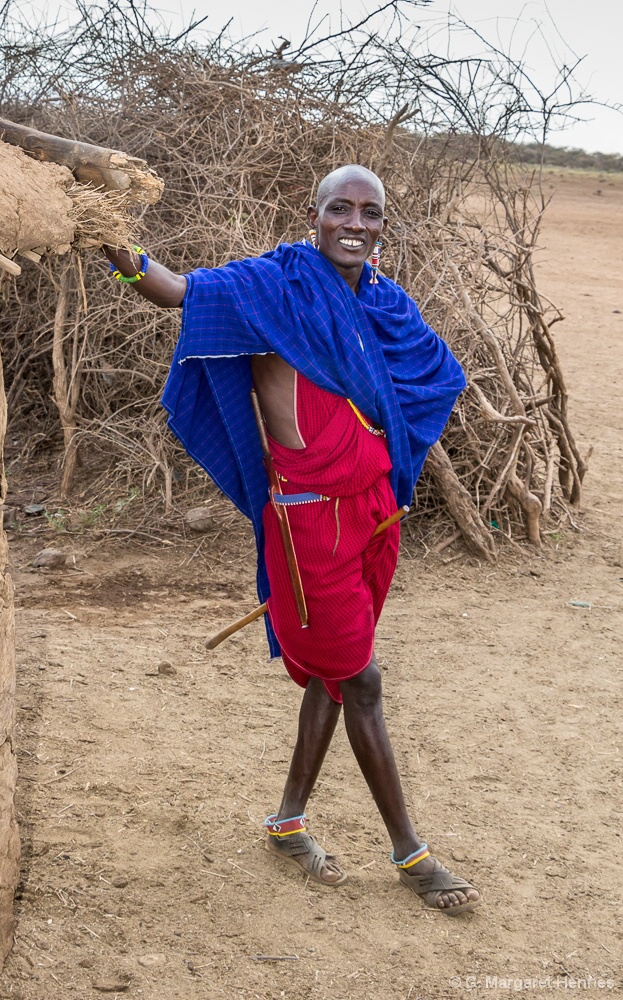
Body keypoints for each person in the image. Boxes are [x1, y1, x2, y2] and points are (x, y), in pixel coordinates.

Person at [104, 164, 481, 913]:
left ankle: (285, 822)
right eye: (340, 207)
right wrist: (111, 246)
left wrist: (390, 444)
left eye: (369, 212)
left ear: (382, 225)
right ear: (315, 215)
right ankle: (413, 855)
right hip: (309, 520)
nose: (354, 222)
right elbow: (178, 293)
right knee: (362, 680)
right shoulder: (271, 287)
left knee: (335, 674)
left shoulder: (382, 301)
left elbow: (438, 374)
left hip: (374, 514)